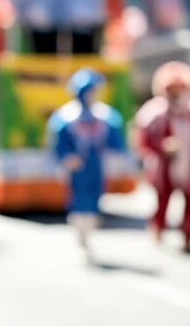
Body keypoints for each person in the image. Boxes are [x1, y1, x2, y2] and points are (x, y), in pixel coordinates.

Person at [47, 68, 128, 264]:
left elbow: (114, 138)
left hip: (96, 164)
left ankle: (88, 231)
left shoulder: (103, 115)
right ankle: (80, 235)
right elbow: (59, 141)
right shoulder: (68, 116)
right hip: (77, 167)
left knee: (95, 198)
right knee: (77, 199)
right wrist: (67, 157)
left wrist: (118, 156)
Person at [133, 61, 190, 254]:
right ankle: (158, 229)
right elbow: (143, 139)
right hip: (164, 166)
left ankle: (188, 236)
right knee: (163, 199)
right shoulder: (155, 112)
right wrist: (163, 146)